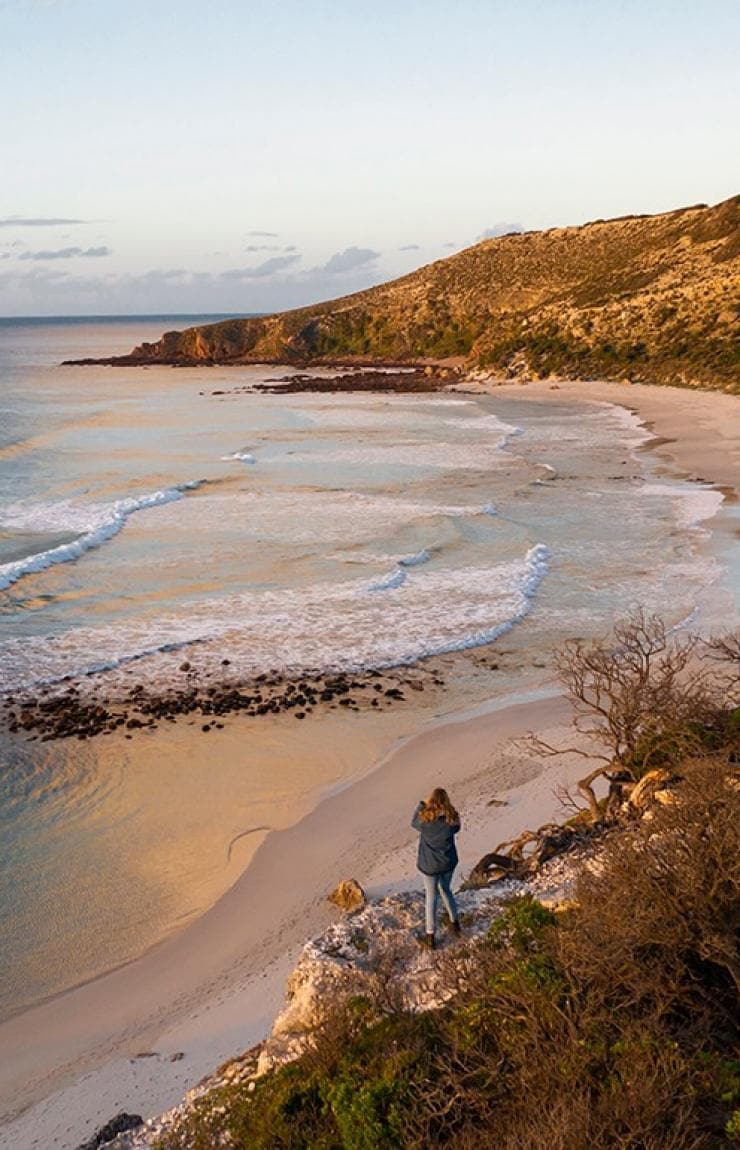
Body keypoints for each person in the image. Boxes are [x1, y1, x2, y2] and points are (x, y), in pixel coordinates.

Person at [411, 787, 461, 949]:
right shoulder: (451, 819)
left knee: (431, 898)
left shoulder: (424, 820)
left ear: (431, 801)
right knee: (446, 890)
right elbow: (457, 826)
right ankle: (455, 924)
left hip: (429, 864)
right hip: (447, 862)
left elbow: (413, 822)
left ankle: (430, 935)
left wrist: (422, 804)